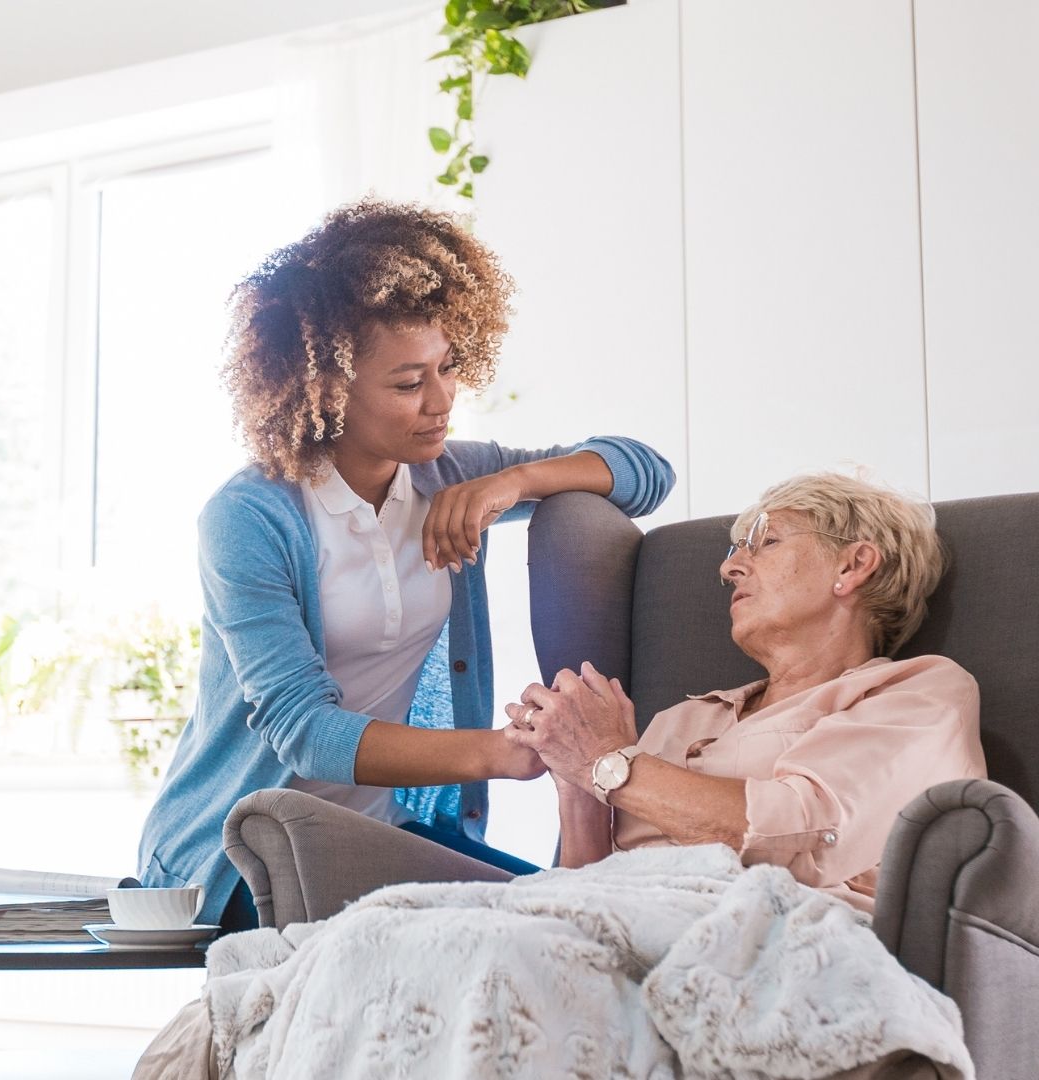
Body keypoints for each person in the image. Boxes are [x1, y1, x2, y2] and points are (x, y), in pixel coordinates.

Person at [137, 198, 675, 929]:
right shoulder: (250, 517)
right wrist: (502, 752)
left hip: (379, 839)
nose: (443, 400)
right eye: (407, 382)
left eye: (449, 367)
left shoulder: (446, 474)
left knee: (559, 918)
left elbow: (646, 472)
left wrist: (512, 482)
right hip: (243, 856)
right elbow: (304, 730)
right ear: (323, 389)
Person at [506, 472, 985, 912]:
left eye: (765, 541)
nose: (730, 567)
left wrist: (603, 761)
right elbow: (579, 894)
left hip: (786, 937)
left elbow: (800, 834)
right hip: (623, 929)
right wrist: (576, 782)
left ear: (853, 564)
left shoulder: (917, 695)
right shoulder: (681, 720)